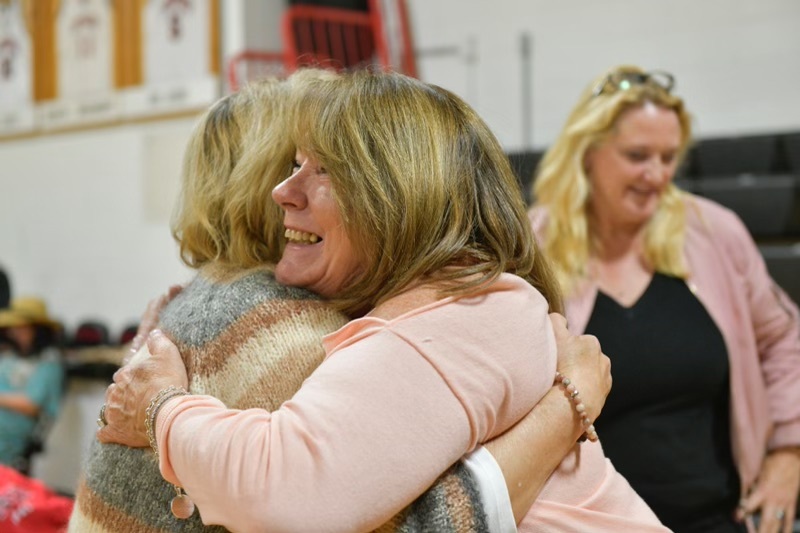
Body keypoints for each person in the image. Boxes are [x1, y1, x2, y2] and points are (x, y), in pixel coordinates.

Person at [97, 69, 666, 532]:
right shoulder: (450, 307)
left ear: (398, 196)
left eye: (322, 170)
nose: (281, 192)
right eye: (292, 165)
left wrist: (160, 407)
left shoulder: (467, 309)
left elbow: (288, 494)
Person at [528, 65, 800, 533]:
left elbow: (782, 342)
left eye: (669, 157)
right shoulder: (535, 244)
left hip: (723, 519)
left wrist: (789, 453)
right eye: (637, 155)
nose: (657, 175)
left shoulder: (715, 232)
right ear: (587, 153)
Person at [0, 296, 64, 470]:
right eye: (15, 328)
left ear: (38, 330)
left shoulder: (49, 362)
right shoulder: (9, 357)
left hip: (13, 438)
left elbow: (31, 404)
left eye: (22, 328)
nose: (15, 332)